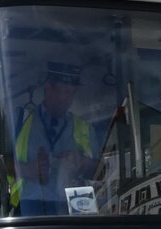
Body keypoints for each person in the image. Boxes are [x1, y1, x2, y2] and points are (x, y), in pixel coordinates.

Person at [11, 62, 97, 215]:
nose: (68, 98)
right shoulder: (20, 121)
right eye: (64, 91)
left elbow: (102, 169)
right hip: (31, 205)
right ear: (48, 88)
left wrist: (82, 162)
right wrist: (27, 170)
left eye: (72, 92)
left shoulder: (85, 128)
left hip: (76, 204)